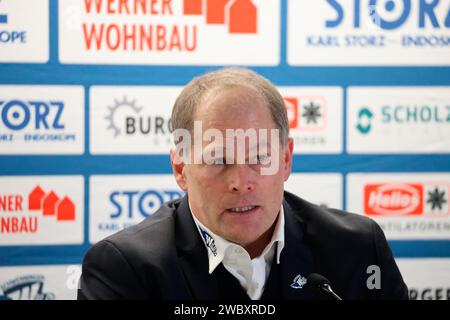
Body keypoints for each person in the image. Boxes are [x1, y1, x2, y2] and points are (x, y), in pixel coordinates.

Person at [77, 68, 409, 300]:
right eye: (218, 159)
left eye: (259, 157)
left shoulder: (359, 249)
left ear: (286, 160)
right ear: (180, 167)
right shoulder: (123, 269)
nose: (240, 182)